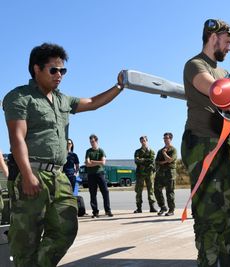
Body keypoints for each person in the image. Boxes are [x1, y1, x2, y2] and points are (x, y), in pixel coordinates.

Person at [2, 42, 125, 266]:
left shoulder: (62, 99)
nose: (59, 75)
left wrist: (119, 87)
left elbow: (93, 103)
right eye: (54, 70)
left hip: (59, 176)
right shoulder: (20, 97)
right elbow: (17, 138)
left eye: (63, 70)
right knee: (26, 240)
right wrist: (28, 175)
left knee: (66, 227)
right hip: (32, 173)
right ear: (36, 69)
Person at [181, 19, 230, 266]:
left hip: (220, 146)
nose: (229, 48)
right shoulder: (195, 65)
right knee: (209, 214)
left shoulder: (225, 73)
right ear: (213, 37)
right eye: (227, 42)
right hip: (200, 145)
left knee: (229, 212)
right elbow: (215, 89)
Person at [85, 134, 113, 218]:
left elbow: (103, 163)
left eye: (93, 141)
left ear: (96, 141)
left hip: (100, 174)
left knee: (105, 191)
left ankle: (107, 210)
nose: (91, 143)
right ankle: (95, 212)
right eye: (90, 142)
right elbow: (87, 164)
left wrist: (93, 161)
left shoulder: (101, 151)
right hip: (91, 175)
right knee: (92, 193)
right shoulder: (88, 151)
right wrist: (97, 162)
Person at [154, 132, 177, 216]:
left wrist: (164, 153)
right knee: (156, 190)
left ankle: (171, 210)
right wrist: (165, 161)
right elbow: (156, 162)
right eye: (164, 138)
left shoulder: (173, 150)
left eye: (167, 138)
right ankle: (163, 207)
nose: (165, 140)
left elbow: (171, 160)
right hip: (160, 174)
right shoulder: (160, 151)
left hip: (169, 174)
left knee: (169, 192)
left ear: (170, 139)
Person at [133, 136, 157, 213]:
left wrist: (142, 160)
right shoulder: (137, 151)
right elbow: (136, 161)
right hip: (140, 173)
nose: (143, 142)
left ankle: (152, 207)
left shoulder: (151, 151)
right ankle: (139, 208)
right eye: (141, 140)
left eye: (144, 140)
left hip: (149, 173)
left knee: (151, 190)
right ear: (140, 142)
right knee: (139, 190)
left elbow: (152, 160)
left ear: (147, 141)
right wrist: (146, 160)